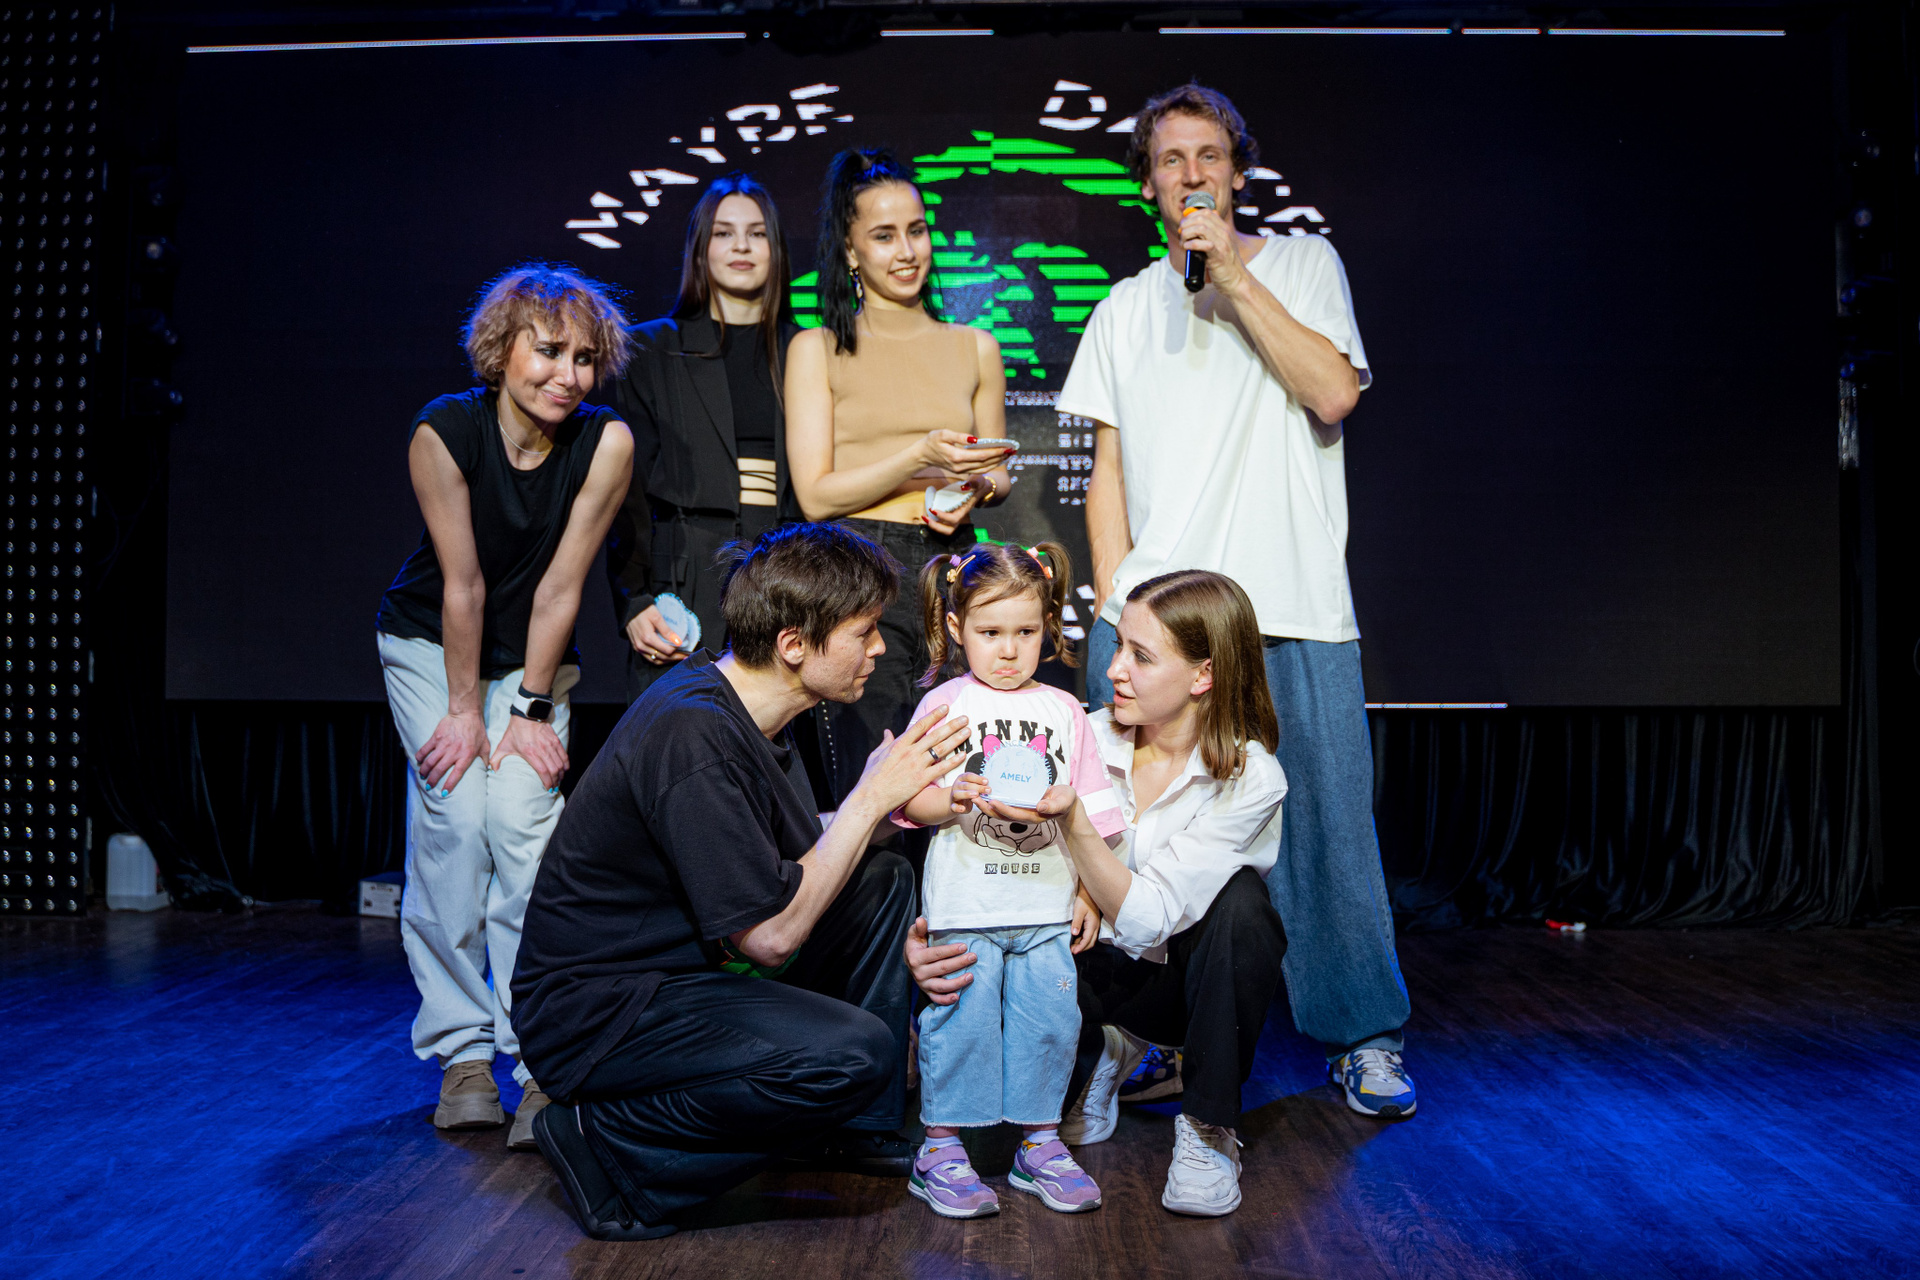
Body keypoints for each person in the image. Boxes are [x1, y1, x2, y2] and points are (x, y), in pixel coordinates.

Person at [1064, 83, 1416, 1119]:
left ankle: (1364, 1036)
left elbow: (1333, 393)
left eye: (1209, 155)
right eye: (1171, 159)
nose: (1192, 174)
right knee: (1147, 840)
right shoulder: (1124, 307)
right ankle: (1156, 1031)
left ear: (1237, 170)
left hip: (1293, 606)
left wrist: (1232, 276)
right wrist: (1115, 601)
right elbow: (1107, 473)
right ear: (1146, 183)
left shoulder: (1303, 264)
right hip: (1163, 625)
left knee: (1327, 832)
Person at [510, 523, 974, 1241]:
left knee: (879, 876)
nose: (879, 649)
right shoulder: (691, 732)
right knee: (854, 1055)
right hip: (601, 1014)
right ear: (794, 645)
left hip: (681, 975)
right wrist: (868, 800)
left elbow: (800, 853)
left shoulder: (754, 715)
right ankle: (609, 1149)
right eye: (864, 632)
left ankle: (853, 1130)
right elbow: (770, 936)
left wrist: (890, 808)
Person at [908, 570, 1290, 1217]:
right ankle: (1104, 1054)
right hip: (1073, 963)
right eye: (1117, 647)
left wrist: (1077, 826)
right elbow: (941, 828)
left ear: (1202, 675)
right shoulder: (1069, 725)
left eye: (1141, 656)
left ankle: (1207, 1127)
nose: (1114, 670)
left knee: (1244, 909)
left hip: (1174, 982)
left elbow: (1152, 917)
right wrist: (929, 936)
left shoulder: (1252, 777)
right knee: (991, 1050)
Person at [374, 263, 634, 1151]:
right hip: (431, 643)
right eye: (548, 350)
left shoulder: (605, 444)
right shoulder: (444, 431)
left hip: (534, 660)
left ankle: (538, 1060)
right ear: (501, 349)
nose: (567, 374)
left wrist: (527, 707)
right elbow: (464, 586)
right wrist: (462, 711)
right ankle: (462, 1055)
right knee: (453, 819)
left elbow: (561, 586)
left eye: (584, 358)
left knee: (522, 825)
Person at [893, 542, 1125, 1219]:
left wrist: (1087, 892)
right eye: (991, 632)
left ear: (1048, 627)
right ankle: (940, 1148)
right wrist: (950, 799)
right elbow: (909, 802)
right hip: (966, 905)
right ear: (956, 627)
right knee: (959, 1023)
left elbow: (1094, 814)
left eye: (1025, 632)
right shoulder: (943, 703)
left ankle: (1040, 1144)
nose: (1008, 650)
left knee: (1050, 1024)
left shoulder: (1066, 710)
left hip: (1044, 909)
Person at [785, 147, 1014, 804]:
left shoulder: (975, 346)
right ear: (850, 251)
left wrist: (974, 488)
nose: (907, 251)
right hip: (858, 569)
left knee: (963, 775)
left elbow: (998, 476)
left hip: (953, 568)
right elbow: (815, 495)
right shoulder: (817, 347)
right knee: (873, 783)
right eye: (884, 236)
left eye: (916, 230)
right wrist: (916, 458)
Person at [604, 172, 802, 704]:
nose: (741, 246)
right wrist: (634, 600)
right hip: (685, 580)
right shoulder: (651, 349)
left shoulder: (808, 351)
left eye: (756, 233)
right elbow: (626, 494)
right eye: (723, 233)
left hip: (787, 580)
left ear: (775, 248)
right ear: (700, 247)